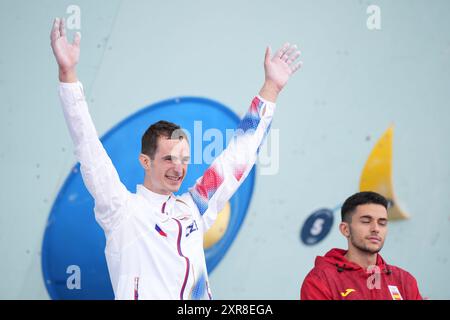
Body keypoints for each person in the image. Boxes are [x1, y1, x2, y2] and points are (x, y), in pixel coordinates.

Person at [50, 17, 302, 300]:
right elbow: (89, 149)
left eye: (184, 159)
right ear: (146, 162)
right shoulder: (121, 210)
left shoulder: (195, 206)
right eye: (169, 158)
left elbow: (237, 156)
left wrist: (271, 89)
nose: (178, 168)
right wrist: (68, 74)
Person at [300, 191, 422, 300]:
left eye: (382, 223)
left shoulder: (404, 280)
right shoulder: (320, 280)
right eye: (366, 221)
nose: (376, 229)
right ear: (345, 229)